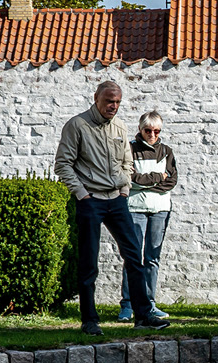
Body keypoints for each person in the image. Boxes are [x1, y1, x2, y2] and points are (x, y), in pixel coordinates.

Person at [54, 80, 168, 335]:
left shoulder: (119, 127)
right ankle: (90, 320)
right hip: (91, 200)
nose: (113, 106)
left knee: (134, 257)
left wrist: (125, 188)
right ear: (96, 98)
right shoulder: (77, 125)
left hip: (117, 199)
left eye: (117, 102)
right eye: (109, 101)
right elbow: (63, 164)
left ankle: (143, 315)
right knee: (89, 261)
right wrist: (82, 194)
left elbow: (127, 162)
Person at [117, 111, 178, 323]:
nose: (152, 134)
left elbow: (171, 180)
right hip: (135, 208)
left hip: (160, 209)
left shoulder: (166, 152)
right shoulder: (130, 149)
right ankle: (127, 304)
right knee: (133, 257)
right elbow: (129, 179)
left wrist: (146, 182)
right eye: (148, 130)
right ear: (141, 129)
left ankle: (149, 303)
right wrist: (156, 179)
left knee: (153, 258)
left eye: (157, 131)